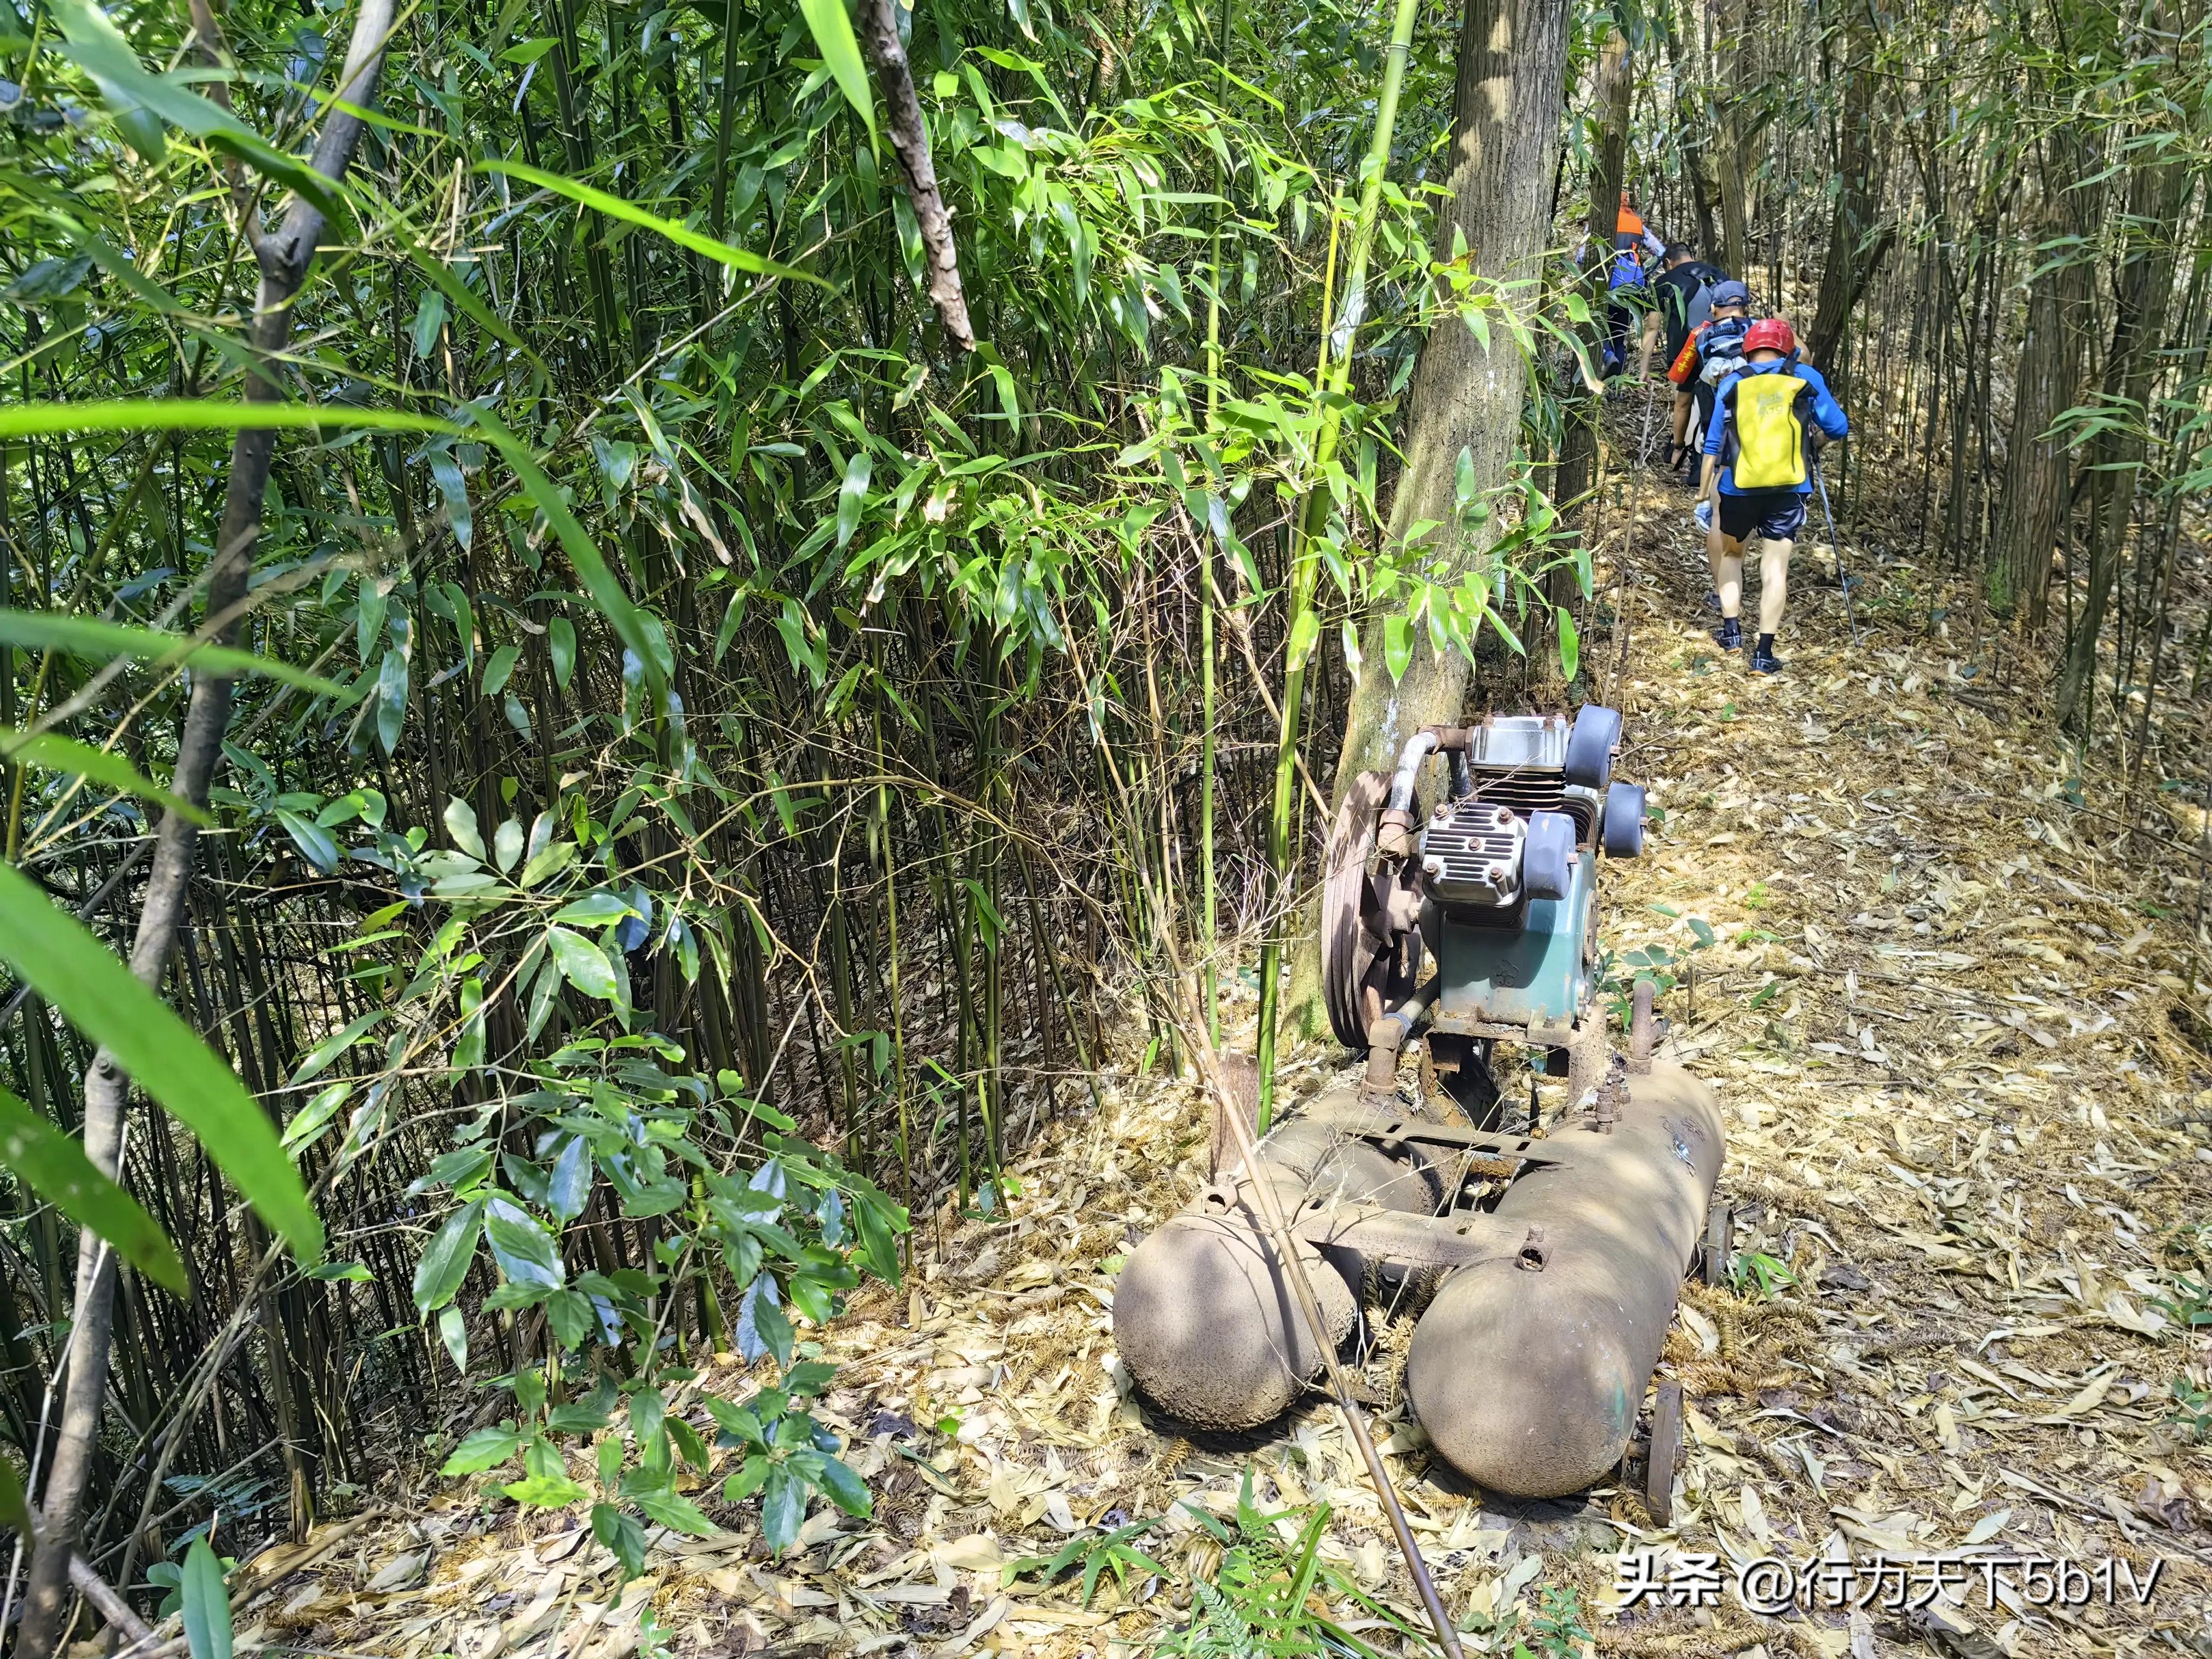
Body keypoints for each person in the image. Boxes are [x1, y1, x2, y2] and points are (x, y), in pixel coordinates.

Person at [1699, 316, 1849, 675]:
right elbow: (1838, 426)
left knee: (1732, 554)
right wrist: (1814, 442)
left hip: (1738, 486)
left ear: (1748, 349)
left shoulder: (1733, 381)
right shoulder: (1806, 377)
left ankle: (1732, 634)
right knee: (1775, 568)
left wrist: (1703, 494)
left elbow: (1713, 444)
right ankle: (1764, 654)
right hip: (1789, 487)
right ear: (1787, 350)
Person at [1637, 244, 1725, 455]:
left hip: (1683, 352)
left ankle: (1683, 451)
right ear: (1691, 256)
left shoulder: (1665, 281)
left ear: (1669, 263)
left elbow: (1652, 327)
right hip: (1722, 350)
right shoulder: (1719, 275)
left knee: (1684, 402)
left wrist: (1644, 369)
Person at [1665, 277, 1750, 486]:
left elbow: (1682, 400)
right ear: (1746, 308)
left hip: (1718, 433)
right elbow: (1802, 357)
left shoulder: (1700, 337)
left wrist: (1678, 445)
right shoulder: (1761, 330)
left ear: (1713, 309)